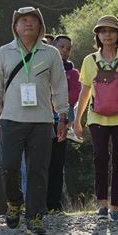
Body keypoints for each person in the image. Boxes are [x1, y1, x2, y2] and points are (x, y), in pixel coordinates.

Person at [0, 7, 69, 235]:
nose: (28, 24)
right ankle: (14, 202)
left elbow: (60, 87)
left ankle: (35, 217)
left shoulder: (51, 53)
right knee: (9, 165)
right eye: (23, 20)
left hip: (42, 121)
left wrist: (63, 117)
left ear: (41, 26)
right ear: (15, 27)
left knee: (38, 170)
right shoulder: (4, 52)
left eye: (33, 20)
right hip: (11, 119)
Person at [73, 15, 118, 221]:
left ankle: (115, 207)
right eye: (103, 31)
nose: (107, 35)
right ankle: (102, 204)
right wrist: (77, 120)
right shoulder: (89, 60)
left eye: (111, 31)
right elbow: (85, 92)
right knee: (100, 158)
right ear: (97, 35)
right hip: (97, 117)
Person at [46, 34, 81, 213]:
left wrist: (57, 100)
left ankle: (54, 204)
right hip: (42, 121)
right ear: (53, 47)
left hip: (62, 122)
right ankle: (37, 202)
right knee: (40, 162)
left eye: (68, 48)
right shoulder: (43, 68)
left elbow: (74, 95)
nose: (65, 51)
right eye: (61, 47)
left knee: (57, 163)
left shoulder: (73, 73)